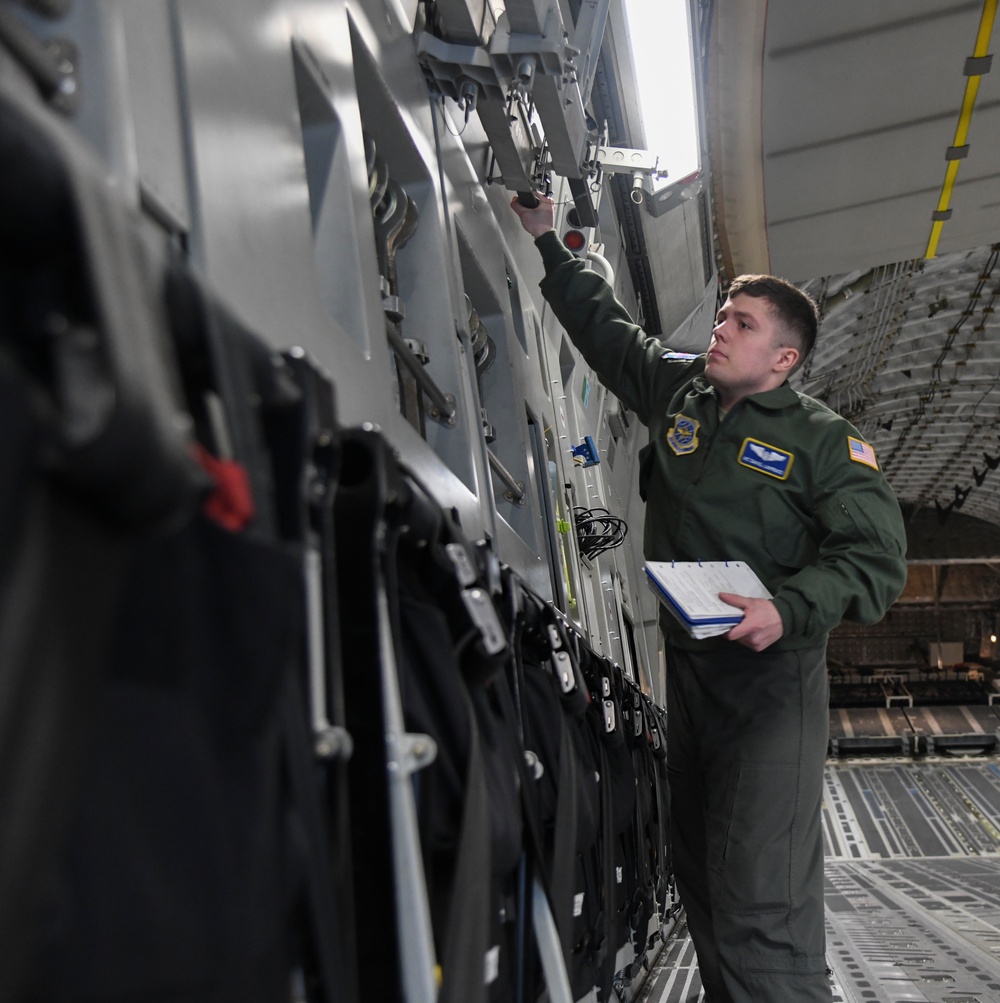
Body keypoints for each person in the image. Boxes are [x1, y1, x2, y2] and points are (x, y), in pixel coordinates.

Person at [510, 193, 907, 1003]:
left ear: (784, 360)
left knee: (761, 894)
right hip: (690, 672)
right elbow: (610, 339)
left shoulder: (823, 442)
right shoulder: (682, 394)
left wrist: (788, 608)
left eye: (743, 323)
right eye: (723, 314)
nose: (721, 328)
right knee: (701, 874)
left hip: (770, 683)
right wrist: (552, 241)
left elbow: (876, 558)